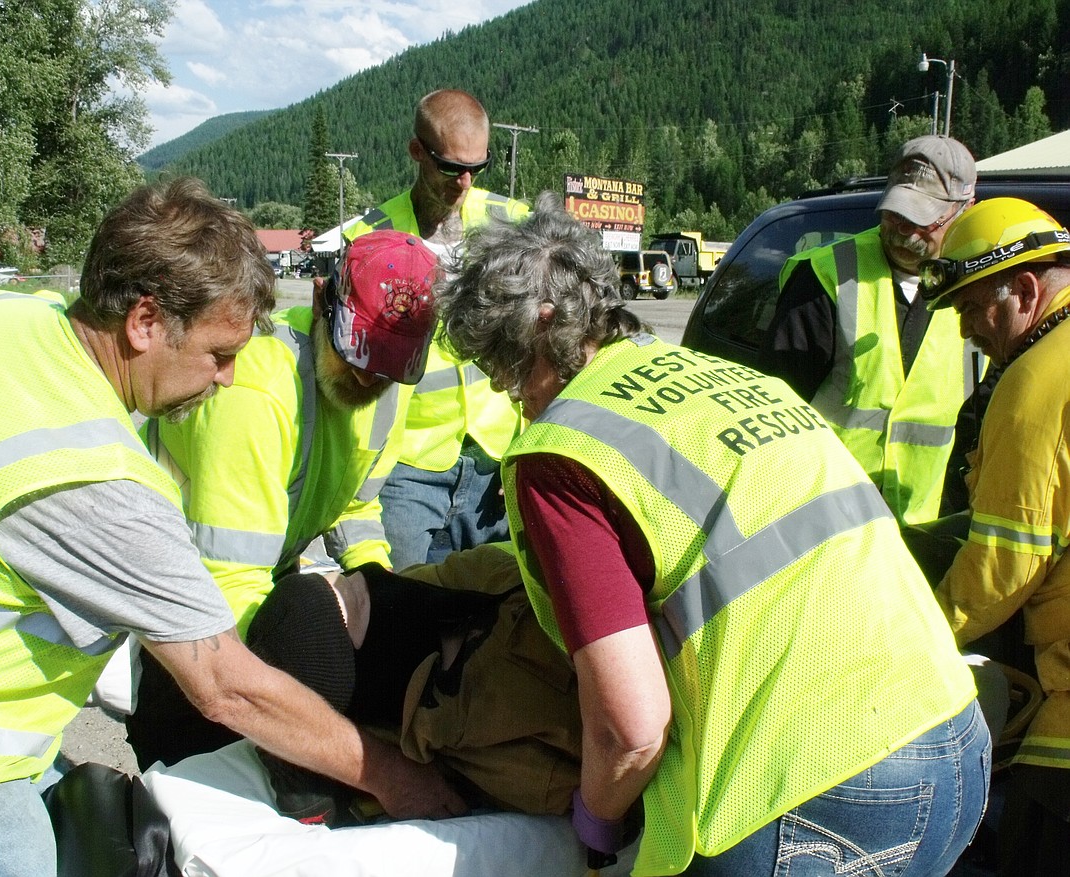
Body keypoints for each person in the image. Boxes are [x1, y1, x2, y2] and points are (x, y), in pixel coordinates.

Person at [0, 179, 464, 877]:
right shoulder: (89, 475)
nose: (228, 377)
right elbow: (224, 681)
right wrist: (390, 775)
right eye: (218, 353)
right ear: (143, 321)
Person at [438, 192, 990, 876]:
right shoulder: (733, 380)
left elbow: (631, 728)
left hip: (818, 789)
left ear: (541, 325)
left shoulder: (564, 451)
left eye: (505, 366)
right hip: (953, 738)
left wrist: (595, 824)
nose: (511, 393)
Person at [125, 229, 462, 773]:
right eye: (358, 350)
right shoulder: (254, 393)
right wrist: (314, 716)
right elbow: (229, 590)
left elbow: (355, 508)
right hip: (189, 621)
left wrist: (376, 601)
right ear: (320, 298)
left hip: (259, 587)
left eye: (389, 365)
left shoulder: (384, 392)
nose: (365, 376)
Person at [917, 197, 1070, 875]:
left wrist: (922, 634)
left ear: (1027, 290)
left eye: (972, 308)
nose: (965, 330)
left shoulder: (1034, 382)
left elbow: (1005, 566)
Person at [344, 88, 528, 568]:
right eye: (449, 167)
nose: (464, 181)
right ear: (416, 152)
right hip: (407, 464)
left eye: (477, 167)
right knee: (403, 610)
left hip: (498, 454)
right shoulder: (369, 240)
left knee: (497, 615)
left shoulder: (512, 223)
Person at [758, 135, 978, 524]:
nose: (903, 231)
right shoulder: (826, 276)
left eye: (922, 219)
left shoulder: (978, 292)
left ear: (965, 211)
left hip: (921, 530)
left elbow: (980, 423)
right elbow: (773, 413)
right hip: (825, 519)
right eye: (895, 213)